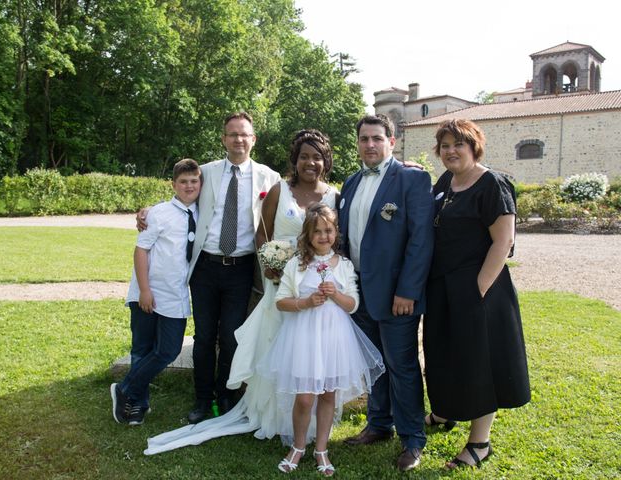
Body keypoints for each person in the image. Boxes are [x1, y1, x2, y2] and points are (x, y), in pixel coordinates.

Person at [144, 129, 338, 455]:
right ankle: (215, 401)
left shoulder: (304, 187)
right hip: (252, 277)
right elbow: (185, 191)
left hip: (302, 284)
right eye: (304, 156)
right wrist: (149, 212)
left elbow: (335, 239)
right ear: (223, 138)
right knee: (219, 339)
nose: (310, 162)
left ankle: (274, 410)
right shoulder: (259, 184)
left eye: (316, 156)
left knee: (285, 346)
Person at [423, 119, 530, 469]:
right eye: (445, 146)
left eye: (459, 145)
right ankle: (445, 411)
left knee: (478, 361)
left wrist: (479, 288)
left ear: (474, 147)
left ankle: (479, 443)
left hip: (478, 288)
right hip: (442, 286)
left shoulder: (491, 184)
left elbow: (504, 241)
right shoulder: (446, 181)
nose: (451, 151)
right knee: (443, 351)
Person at [258, 203, 385, 476]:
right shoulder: (297, 265)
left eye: (328, 231)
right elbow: (281, 302)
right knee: (304, 398)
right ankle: (298, 445)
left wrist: (335, 295)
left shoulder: (344, 265)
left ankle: (322, 449)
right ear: (308, 234)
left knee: (328, 394)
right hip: (304, 338)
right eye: (317, 232)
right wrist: (305, 302)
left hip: (334, 339)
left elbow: (352, 304)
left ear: (336, 233)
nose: (324, 236)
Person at [338, 114, 434, 471]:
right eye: (364, 139)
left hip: (397, 294)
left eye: (377, 138)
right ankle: (379, 423)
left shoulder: (412, 178)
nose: (370, 145)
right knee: (373, 363)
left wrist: (407, 290)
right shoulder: (350, 183)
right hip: (358, 290)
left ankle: (412, 438)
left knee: (402, 365)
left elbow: (421, 240)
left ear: (392, 141)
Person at [111, 158, 202, 426]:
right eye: (183, 182)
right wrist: (145, 290)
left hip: (175, 295)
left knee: (169, 349)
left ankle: (125, 389)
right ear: (173, 184)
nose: (189, 186)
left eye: (194, 181)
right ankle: (138, 404)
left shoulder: (203, 214)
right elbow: (141, 251)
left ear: (200, 184)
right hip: (148, 291)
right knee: (142, 348)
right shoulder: (159, 213)